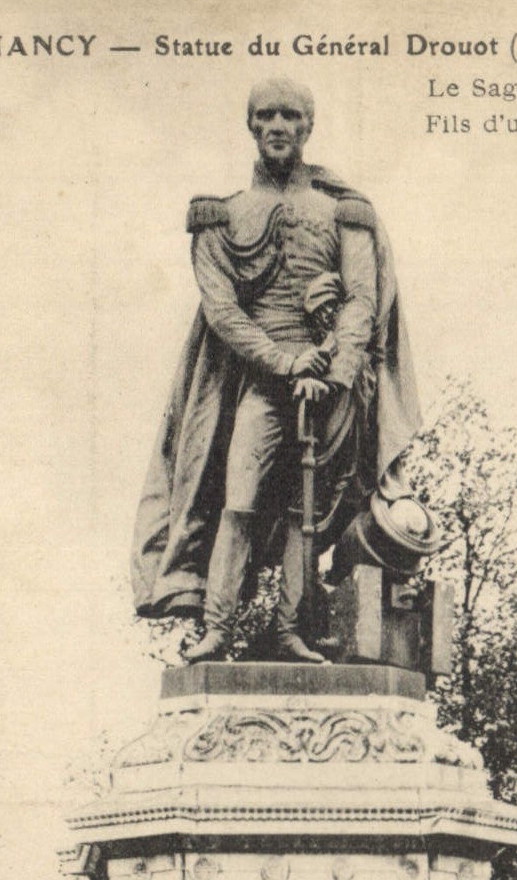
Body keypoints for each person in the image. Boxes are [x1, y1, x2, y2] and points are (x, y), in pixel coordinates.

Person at [131, 78, 424, 662]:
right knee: (238, 500)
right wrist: (289, 363)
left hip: (332, 386)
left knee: (305, 516)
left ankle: (290, 631)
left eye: (290, 115)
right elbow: (222, 312)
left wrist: (334, 374)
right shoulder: (222, 217)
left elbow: (362, 302)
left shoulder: (345, 212)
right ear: (251, 125)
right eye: (265, 115)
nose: (277, 126)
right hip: (261, 384)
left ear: (308, 126)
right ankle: (218, 629)